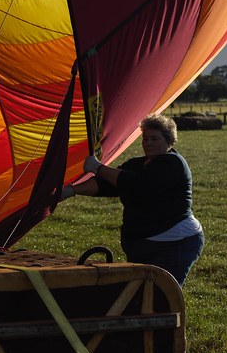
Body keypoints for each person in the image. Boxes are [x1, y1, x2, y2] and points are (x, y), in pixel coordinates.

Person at [60, 114, 204, 286]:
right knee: (138, 295)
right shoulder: (137, 164)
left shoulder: (172, 163)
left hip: (174, 244)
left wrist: (98, 168)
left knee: (160, 295)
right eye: (145, 139)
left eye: (154, 139)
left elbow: (137, 185)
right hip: (142, 243)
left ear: (169, 140)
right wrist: (71, 190)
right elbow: (108, 184)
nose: (148, 143)